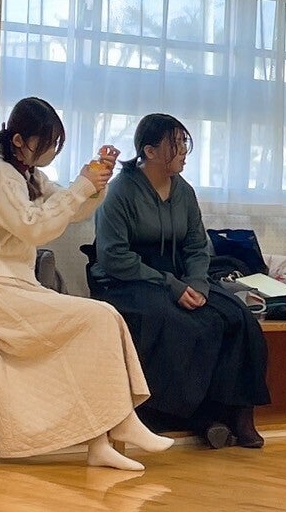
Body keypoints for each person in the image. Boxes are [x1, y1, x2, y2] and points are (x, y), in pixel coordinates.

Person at [0, 97, 174, 471]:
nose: (51, 150)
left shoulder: (30, 175)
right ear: (19, 140)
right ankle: (120, 422)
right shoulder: (1, 174)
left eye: (55, 143)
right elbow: (34, 227)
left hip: (20, 286)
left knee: (101, 320)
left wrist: (94, 183)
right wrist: (81, 186)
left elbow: (72, 210)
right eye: (47, 142)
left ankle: (103, 439)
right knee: (100, 317)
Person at [90, 113, 271, 450]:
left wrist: (198, 284)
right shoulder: (121, 191)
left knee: (237, 316)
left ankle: (238, 414)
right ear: (150, 151)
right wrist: (172, 285)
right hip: (129, 278)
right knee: (174, 321)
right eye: (175, 144)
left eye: (184, 143)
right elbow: (113, 256)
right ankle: (182, 417)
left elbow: (197, 246)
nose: (184, 151)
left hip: (182, 275)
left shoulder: (183, 191)